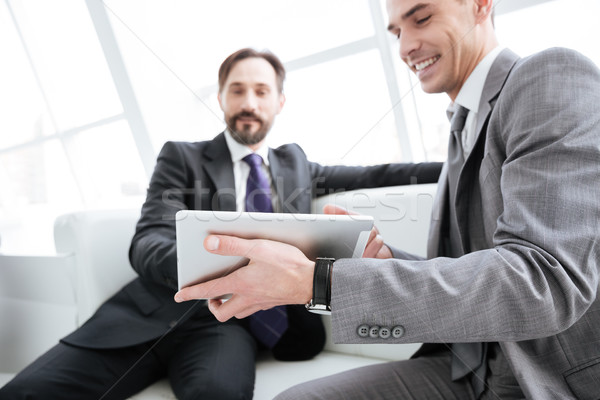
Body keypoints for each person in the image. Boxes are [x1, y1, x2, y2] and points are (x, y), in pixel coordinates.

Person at [173, 1, 600, 399]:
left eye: (422, 18)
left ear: (480, 4)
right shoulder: (462, 125)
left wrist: (320, 282)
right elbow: (475, 265)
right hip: (469, 366)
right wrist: (384, 262)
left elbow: (543, 280)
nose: (406, 46)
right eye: (396, 31)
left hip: (542, 377)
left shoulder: (548, 76)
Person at [0, 48, 442, 399]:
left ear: (279, 101)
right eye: (237, 90)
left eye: (261, 91)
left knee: (219, 393)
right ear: (221, 98)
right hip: (153, 311)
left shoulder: (297, 164)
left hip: (230, 323)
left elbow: (377, 175)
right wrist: (211, 261)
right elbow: (146, 241)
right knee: (28, 392)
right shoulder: (182, 156)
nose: (249, 103)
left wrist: (459, 162)